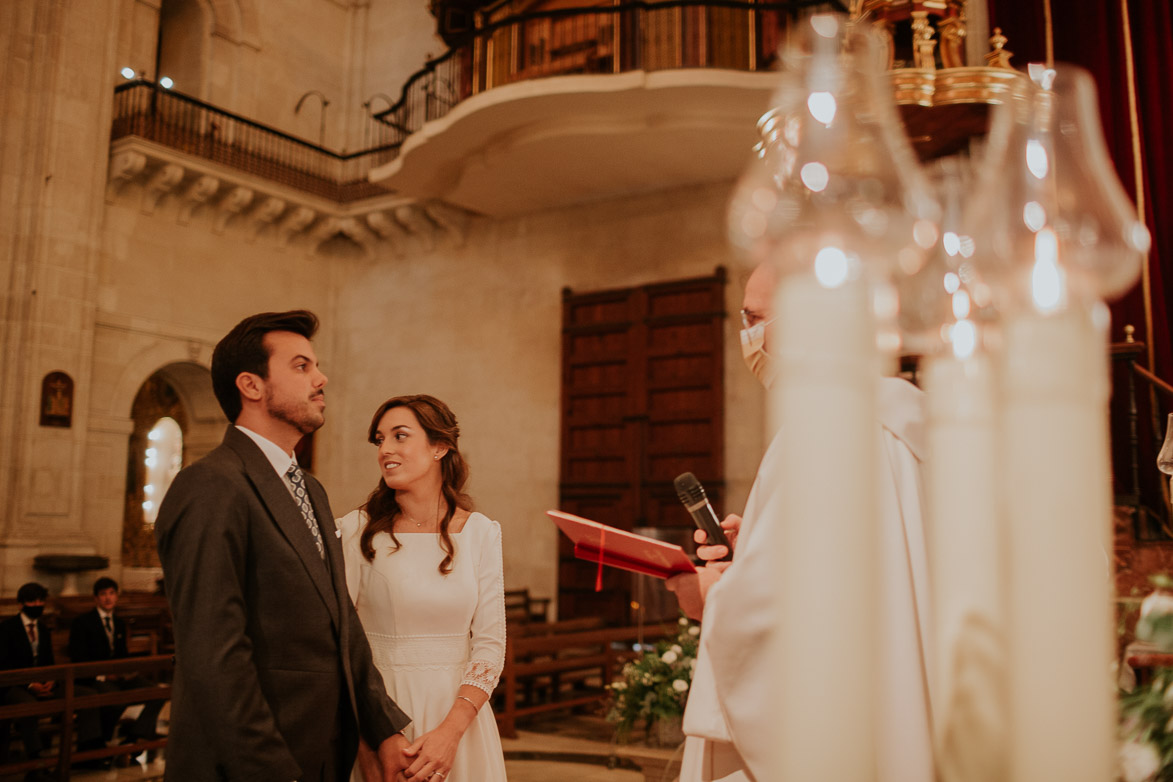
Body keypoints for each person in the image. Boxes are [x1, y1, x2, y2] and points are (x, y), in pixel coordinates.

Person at [666, 262, 934, 782]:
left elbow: (805, 621)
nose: (748, 337)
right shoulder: (899, 413)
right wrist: (760, 554)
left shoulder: (833, 424)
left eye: (755, 317)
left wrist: (712, 596)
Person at [154, 310, 412, 782]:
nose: (321, 378)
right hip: (251, 762)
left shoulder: (309, 490)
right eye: (301, 366)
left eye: (315, 366)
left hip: (318, 752)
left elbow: (342, 622)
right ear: (251, 386)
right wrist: (272, 770)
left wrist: (383, 728)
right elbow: (215, 655)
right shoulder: (210, 486)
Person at [337, 395, 507, 782]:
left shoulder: (481, 532)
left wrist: (450, 734)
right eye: (380, 440)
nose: (386, 450)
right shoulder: (355, 530)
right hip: (380, 716)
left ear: (440, 446)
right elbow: (342, 645)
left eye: (400, 436)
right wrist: (370, 742)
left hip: (458, 719)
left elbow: (489, 644)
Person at [0, 582, 105, 775]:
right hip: (15, 685)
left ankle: (89, 751)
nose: (38, 604)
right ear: (21, 603)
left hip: (43, 682)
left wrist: (52, 680)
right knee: (29, 705)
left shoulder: (42, 628)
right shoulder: (7, 628)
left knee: (87, 695)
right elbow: (5, 664)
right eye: (32, 601)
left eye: (41, 600)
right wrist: (30, 684)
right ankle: (36, 761)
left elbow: (48, 662)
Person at [67, 577, 166, 746]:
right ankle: (100, 740)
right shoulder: (83, 622)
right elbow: (78, 656)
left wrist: (128, 671)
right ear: (96, 598)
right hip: (95, 678)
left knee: (157, 693)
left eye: (112, 593)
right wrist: (104, 675)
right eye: (103, 594)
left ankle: (135, 737)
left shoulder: (119, 623)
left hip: (118, 676)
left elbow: (122, 655)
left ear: (116, 597)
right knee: (116, 700)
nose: (108, 598)